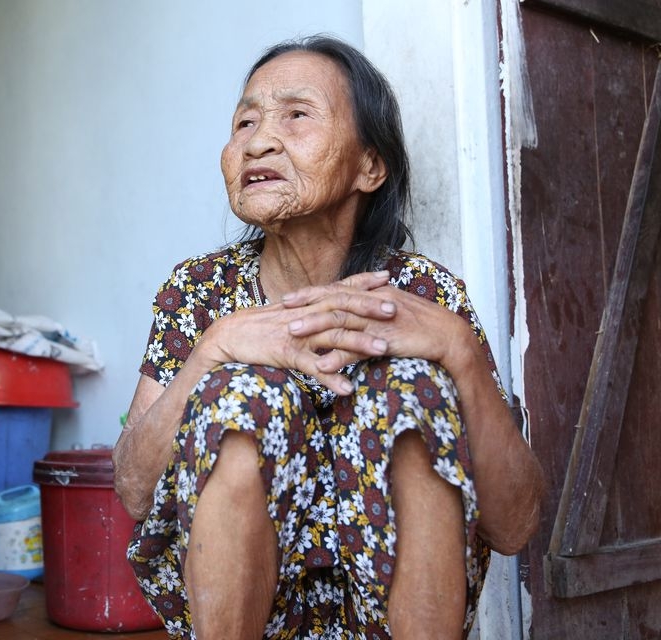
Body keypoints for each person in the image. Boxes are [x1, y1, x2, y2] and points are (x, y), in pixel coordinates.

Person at [112, 34, 544, 640]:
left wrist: (461, 354)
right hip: (252, 617)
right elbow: (134, 491)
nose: (257, 141)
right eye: (245, 121)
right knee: (239, 396)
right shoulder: (200, 293)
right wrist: (212, 352)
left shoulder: (424, 295)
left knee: (412, 387)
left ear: (370, 165)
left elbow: (516, 526)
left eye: (296, 115)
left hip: (390, 618)